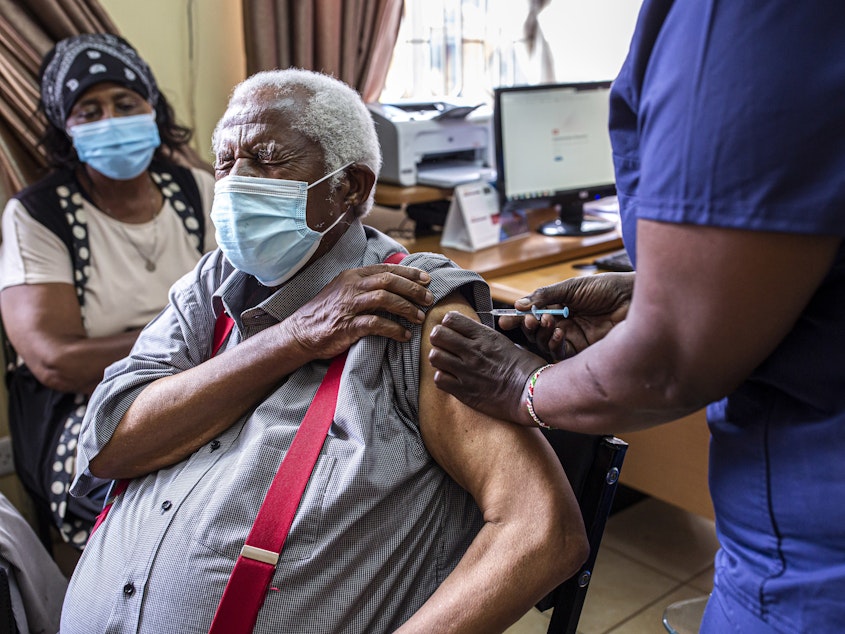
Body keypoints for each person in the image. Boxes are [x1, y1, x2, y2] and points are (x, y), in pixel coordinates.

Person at [59, 68, 588, 633]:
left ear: (351, 187)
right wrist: (294, 337)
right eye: (226, 161)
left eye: (266, 157)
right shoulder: (210, 285)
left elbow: (543, 533)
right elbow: (109, 445)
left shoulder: (412, 304)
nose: (237, 181)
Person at [428, 2, 845, 632]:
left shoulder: (737, 18)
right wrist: (650, 293)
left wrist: (522, 386)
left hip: (814, 554)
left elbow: (668, 362)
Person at [0, 33, 218, 550]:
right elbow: (55, 360)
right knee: (163, 507)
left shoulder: (197, 189)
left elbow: (247, 300)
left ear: (152, 110)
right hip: (84, 406)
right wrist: (189, 339)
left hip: (204, 381)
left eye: (125, 104)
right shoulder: (38, 215)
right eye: (88, 111)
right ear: (65, 129)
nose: (111, 121)